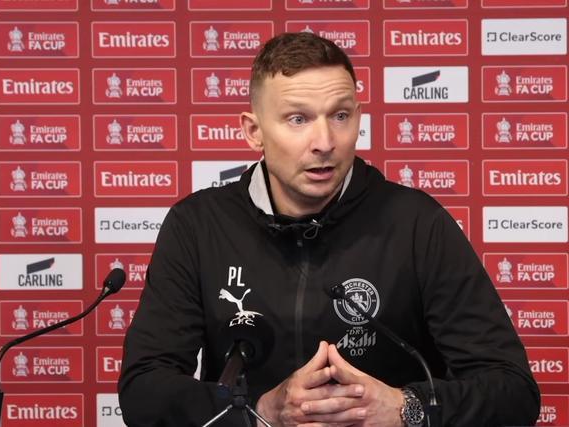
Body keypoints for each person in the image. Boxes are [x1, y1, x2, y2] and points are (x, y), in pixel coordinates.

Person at [119, 32, 540, 427]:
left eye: (340, 115)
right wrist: (258, 412)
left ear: (358, 117)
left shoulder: (417, 223)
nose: (325, 141)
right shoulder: (198, 226)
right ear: (254, 131)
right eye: (297, 119)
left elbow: (513, 391)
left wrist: (403, 408)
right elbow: (143, 391)